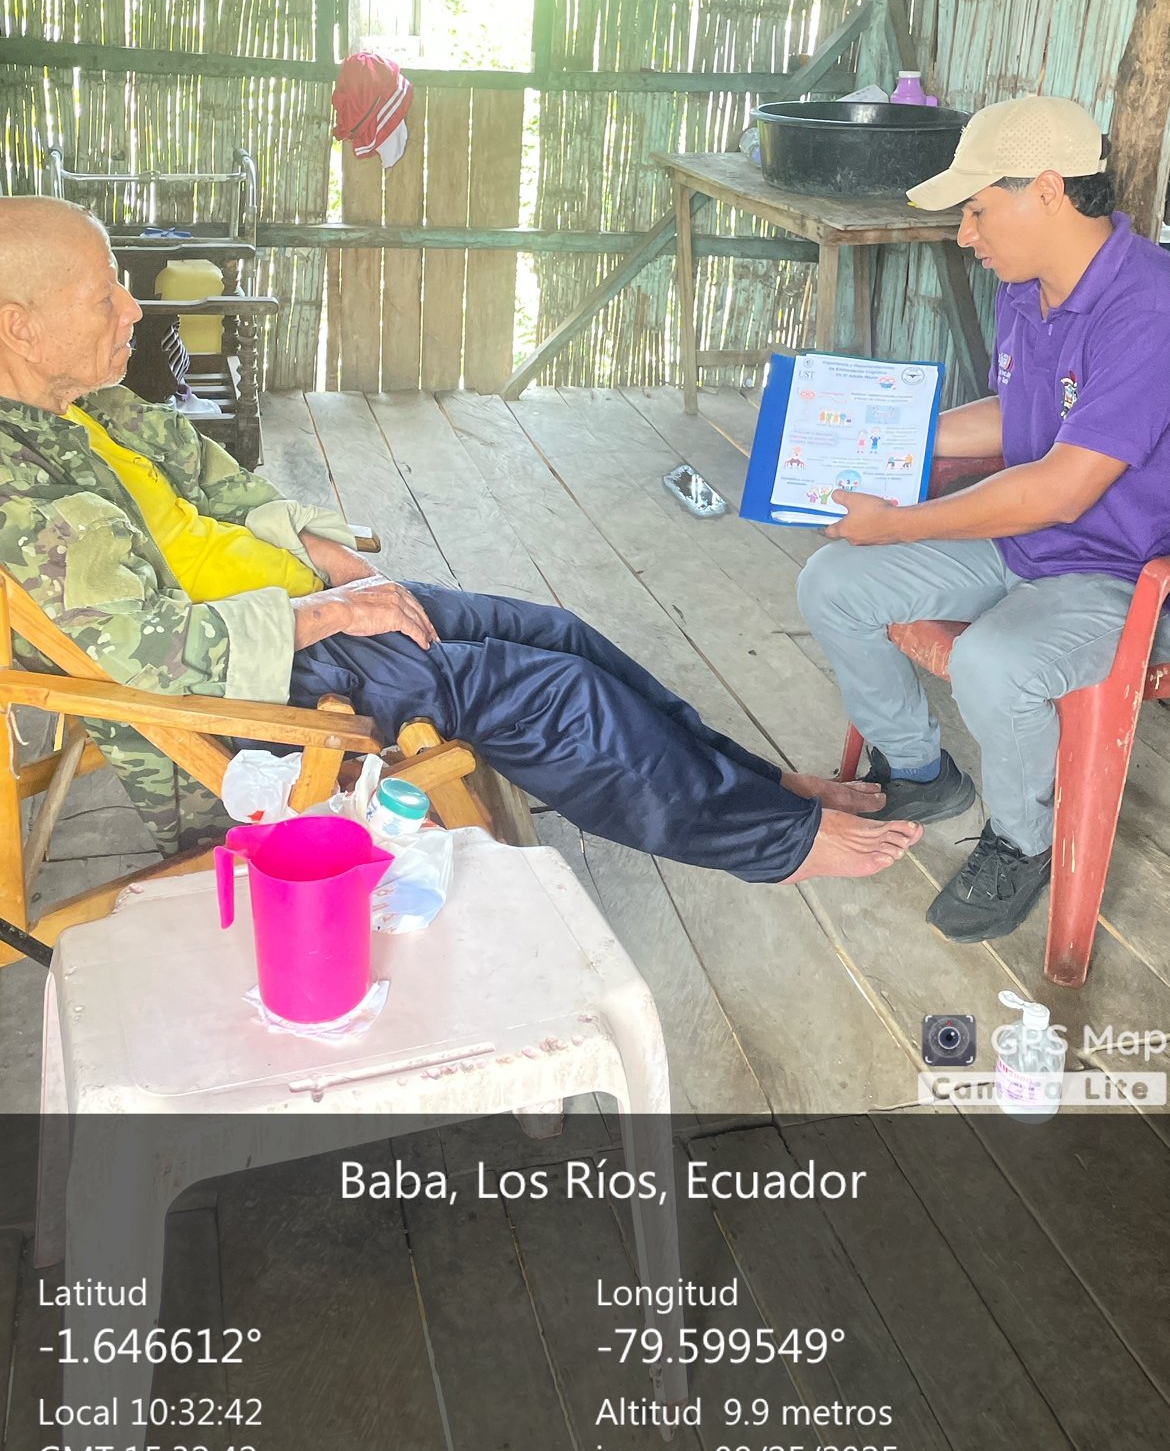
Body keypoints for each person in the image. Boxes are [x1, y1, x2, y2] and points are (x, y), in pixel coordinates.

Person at [0, 197, 922, 887]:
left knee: (556, 632)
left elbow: (221, 487)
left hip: (298, 610)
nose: (132, 307)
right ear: (19, 326)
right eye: (104, 294)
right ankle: (774, 842)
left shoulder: (90, 408)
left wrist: (319, 553)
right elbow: (150, 657)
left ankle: (761, 785)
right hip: (248, 686)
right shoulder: (19, 486)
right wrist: (329, 613)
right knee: (554, 696)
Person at [797, 93, 1170, 943]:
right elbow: (1017, 414)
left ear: (1047, 190)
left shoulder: (1151, 308)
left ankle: (1021, 841)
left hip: (1118, 573)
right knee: (834, 581)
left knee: (993, 663)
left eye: (976, 210)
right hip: (1020, 540)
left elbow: (1062, 488)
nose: (965, 235)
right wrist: (884, 436)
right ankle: (921, 771)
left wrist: (899, 521)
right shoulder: (1028, 286)